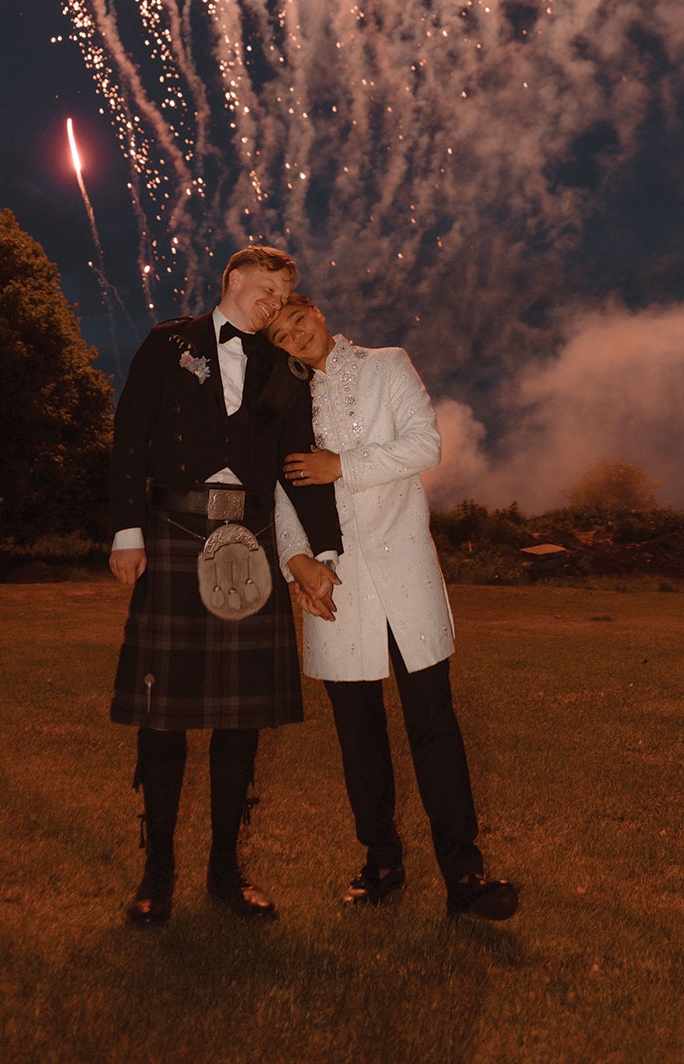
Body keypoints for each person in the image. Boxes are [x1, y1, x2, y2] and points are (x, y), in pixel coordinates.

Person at [109, 247, 342, 927]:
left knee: (241, 716)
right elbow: (130, 435)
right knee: (163, 715)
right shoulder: (169, 344)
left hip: (254, 542)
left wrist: (323, 549)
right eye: (266, 287)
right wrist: (126, 528)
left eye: (284, 292)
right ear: (233, 281)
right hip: (175, 529)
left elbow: (300, 464)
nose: (274, 300)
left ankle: (225, 871)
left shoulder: (285, 368)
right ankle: (157, 874)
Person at [269, 294, 519, 922]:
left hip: (404, 570)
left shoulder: (387, 365)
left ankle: (465, 874)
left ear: (317, 313)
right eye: (279, 335)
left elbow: (424, 446)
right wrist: (297, 561)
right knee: (359, 733)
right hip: (337, 580)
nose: (293, 336)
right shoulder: (285, 400)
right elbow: (278, 486)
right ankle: (381, 862)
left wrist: (339, 467)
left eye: (297, 320)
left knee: (433, 724)